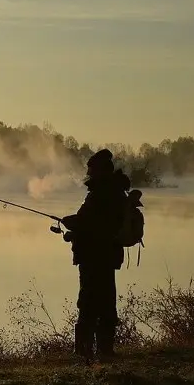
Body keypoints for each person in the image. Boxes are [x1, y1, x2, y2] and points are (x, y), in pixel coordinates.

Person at [61, 149, 130, 363]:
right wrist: (75, 229)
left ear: (99, 170)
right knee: (106, 302)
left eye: (91, 169)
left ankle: (83, 352)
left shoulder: (100, 193)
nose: (88, 173)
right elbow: (97, 224)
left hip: (94, 256)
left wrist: (70, 225)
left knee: (88, 303)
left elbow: (88, 223)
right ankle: (105, 351)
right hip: (107, 256)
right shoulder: (116, 191)